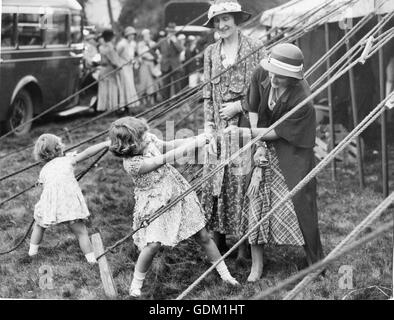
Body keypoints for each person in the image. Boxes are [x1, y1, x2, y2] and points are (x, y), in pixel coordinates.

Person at [108, 117, 239, 297]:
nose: (147, 138)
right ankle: (136, 285)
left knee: (203, 235)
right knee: (152, 245)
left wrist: (196, 139)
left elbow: (169, 145)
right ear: (130, 144)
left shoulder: (147, 140)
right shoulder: (132, 164)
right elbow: (164, 158)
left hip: (176, 192)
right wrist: (196, 144)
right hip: (154, 201)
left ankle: (226, 275)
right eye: (142, 136)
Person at [227, 43, 324, 280]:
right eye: (272, 73)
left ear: (293, 79)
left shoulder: (303, 99)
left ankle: (315, 261)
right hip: (259, 137)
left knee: (301, 200)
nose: (274, 79)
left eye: (281, 77)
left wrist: (248, 136)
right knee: (256, 198)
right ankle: (256, 265)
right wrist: (256, 140)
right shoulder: (262, 72)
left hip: (292, 149)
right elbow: (252, 106)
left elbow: (279, 132)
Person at [200, 0, 265, 263]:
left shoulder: (255, 48)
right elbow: (207, 93)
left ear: (237, 20)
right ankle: (218, 238)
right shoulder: (210, 52)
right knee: (216, 179)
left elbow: (263, 89)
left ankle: (244, 244)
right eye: (217, 21)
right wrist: (208, 126)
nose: (221, 25)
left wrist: (238, 105)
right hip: (218, 128)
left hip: (246, 126)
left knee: (243, 180)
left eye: (226, 19)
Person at [29, 134, 110, 263]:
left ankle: (32, 254)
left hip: (50, 205)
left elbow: (43, 186)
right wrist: (105, 144)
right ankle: (91, 261)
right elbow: (87, 152)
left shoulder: (44, 170)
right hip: (69, 204)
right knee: (81, 232)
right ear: (59, 148)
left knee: (38, 225)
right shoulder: (68, 160)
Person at [97, 29, 123, 112]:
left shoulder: (102, 47)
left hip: (103, 70)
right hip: (109, 70)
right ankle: (112, 107)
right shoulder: (110, 47)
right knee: (112, 88)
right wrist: (120, 66)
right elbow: (114, 60)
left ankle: (103, 107)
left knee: (104, 89)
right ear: (111, 37)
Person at [158, 22, 184, 100]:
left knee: (177, 85)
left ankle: (178, 101)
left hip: (175, 66)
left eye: (172, 31)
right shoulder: (162, 40)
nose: (171, 33)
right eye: (169, 31)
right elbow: (152, 49)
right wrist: (158, 57)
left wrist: (175, 41)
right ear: (167, 32)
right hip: (165, 65)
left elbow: (181, 49)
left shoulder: (177, 40)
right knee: (166, 85)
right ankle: (166, 102)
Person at [116, 26, 140, 109]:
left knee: (130, 84)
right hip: (123, 67)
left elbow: (133, 55)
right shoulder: (121, 44)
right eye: (130, 35)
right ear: (126, 35)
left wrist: (134, 61)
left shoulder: (133, 44)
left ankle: (130, 104)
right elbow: (117, 56)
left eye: (133, 35)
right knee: (125, 84)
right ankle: (123, 106)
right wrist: (119, 65)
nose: (132, 36)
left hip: (129, 67)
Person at [137, 29, 160, 105]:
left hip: (152, 64)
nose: (146, 36)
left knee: (152, 82)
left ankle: (152, 99)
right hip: (144, 64)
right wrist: (148, 56)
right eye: (145, 35)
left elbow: (157, 54)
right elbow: (141, 54)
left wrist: (153, 58)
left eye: (148, 34)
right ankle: (144, 99)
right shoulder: (140, 44)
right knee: (144, 82)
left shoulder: (153, 43)